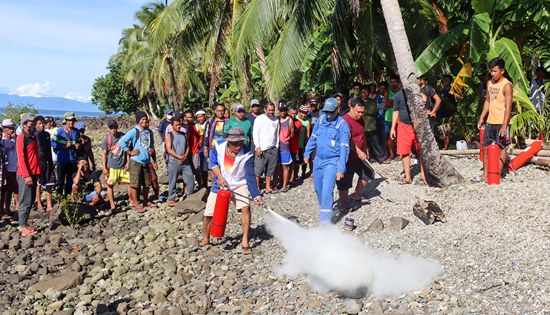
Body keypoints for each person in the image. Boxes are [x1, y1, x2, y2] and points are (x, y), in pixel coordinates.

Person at [199, 128, 263, 254]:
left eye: (240, 143)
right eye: (235, 144)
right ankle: (206, 238)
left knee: (245, 208)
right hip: (221, 184)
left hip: (239, 183)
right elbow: (213, 163)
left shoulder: (247, 153)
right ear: (228, 142)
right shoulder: (219, 147)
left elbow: (250, 175)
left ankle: (245, 240)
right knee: (208, 213)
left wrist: (256, 195)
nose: (238, 146)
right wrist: (220, 177)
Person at [304, 98, 350, 224]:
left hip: (332, 161)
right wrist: (307, 153)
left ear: (337, 110)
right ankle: (325, 209)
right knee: (318, 189)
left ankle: (325, 224)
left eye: (331, 111)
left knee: (326, 191)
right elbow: (313, 138)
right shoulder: (320, 120)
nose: (328, 114)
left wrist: (341, 168)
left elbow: (344, 148)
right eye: (326, 111)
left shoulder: (342, 125)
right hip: (318, 160)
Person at [475, 57, 513, 183]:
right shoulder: (490, 83)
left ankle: (497, 173)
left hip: (502, 122)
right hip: (490, 121)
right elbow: (487, 101)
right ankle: (486, 174)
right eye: (491, 71)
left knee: (502, 148)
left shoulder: (507, 85)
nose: (493, 74)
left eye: (495, 71)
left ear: (502, 71)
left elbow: (508, 107)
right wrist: (481, 117)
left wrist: (504, 125)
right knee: (485, 147)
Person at [338, 98, 373, 210]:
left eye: (363, 112)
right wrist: (358, 151)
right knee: (345, 182)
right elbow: (347, 140)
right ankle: (344, 205)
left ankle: (356, 195)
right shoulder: (345, 121)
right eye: (358, 112)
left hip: (359, 155)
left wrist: (366, 147)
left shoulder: (361, 120)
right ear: (351, 107)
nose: (361, 114)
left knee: (368, 173)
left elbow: (362, 135)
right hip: (347, 157)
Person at [119, 111, 157, 212]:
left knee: (147, 183)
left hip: (146, 161)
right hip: (136, 161)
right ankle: (135, 203)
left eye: (146, 119)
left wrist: (153, 156)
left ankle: (145, 201)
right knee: (135, 184)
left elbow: (151, 144)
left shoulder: (149, 132)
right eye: (142, 119)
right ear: (138, 121)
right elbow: (122, 142)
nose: (145, 121)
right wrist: (130, 152)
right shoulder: (134, 131)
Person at [390, 89, 425, 184]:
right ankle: (408, 177)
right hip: (403, 125)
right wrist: (393, 128)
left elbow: (425, 99)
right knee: (404, 151)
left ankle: (423, 175)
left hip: (418, 124)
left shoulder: (417, 92)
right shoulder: (398, 95)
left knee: (421, 149)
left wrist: (416, 91)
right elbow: (395, 111)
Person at [16, 113, 41, 237]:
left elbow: (35, 156)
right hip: (25, 174)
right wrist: (26, 175)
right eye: (31, 124)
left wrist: (38, 172)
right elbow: (21, 158)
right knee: (25, 201)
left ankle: (24, 223)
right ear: (25, 125)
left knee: (31, 200)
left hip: (34, 172)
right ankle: (22, 226)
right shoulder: (22, 137)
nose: (33, 127)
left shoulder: (33, 136)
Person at [101, 120, 130, 213]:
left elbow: (127, 151)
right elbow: (104, 154)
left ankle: (132, 201)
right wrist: (104, 167)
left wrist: (128, 162)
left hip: (123, 165)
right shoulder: (107, 139)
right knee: (110, 185)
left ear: (117, 127)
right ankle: (112, 205)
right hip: (112, 166)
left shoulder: (123, 137)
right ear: (108, 128)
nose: (113, 129)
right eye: (111, 127)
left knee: (130, 183)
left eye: (114, 127)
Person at [166, 114, 195, 206]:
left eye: (179, 125)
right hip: (174, 161)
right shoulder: (169, 135)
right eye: (176, 125)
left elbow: (187, 146)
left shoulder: (184, 134)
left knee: (190, 178)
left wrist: (185, 156)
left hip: (184, 160)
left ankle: (190, 195)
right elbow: (169, 150)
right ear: (172, 126)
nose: (178, 127)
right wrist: (179, 157)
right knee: (172, 180)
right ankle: (171, 198)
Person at [52, 112, 81, 196]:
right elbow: (52, 142)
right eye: (69, 120)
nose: (71, 122)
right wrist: (63, 146)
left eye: (72, 121)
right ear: (66, 121)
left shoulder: (76, 132)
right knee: (60, 181)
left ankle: (67, 199)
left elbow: (79, 141)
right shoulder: (60, 131)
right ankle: (59, 199)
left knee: (69, 181)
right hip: (62, 160)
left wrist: (78, 145)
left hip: (72, 161)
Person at [252, 102, 279, 194]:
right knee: (258, 170)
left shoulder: (276, 120)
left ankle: (268, 187)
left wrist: (277, 145)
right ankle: (256, 188)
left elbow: (277, 134)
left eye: (272, 110)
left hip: (273, 148)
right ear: (265, 109)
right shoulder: (259, 119)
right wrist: (257, 147)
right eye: (269, 110)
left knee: (270, 170)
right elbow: (255, 134)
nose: (271, 112)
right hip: (262, 149)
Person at [34, 116, 56, 212]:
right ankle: (39, 203)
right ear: (35, 125)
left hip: (47, 160)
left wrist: (51, 163)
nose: (42, 125)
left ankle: (49, 203)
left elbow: (48, 150)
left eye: (43, 123)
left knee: (49, 183)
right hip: (38, 162)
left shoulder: (47, 134)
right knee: (38, 183)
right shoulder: (34, 135)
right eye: (39, 123)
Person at [363, 84, 388, 164]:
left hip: (371, 126)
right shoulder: (358, 101)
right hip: (362, 126)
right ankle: (368, 158)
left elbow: (373, 111)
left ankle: (381, 158)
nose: (364, 94)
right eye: (363, 92)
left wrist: (362, 111)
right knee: (365, 144)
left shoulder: (372, 101)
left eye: (366, 92)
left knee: (376, 143)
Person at [1, 119, 18, 219]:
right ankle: (4, 210)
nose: (12, 130)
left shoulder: (14, 140)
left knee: (14, 189)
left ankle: (11, 208)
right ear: (4, 129)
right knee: (6, 191)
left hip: (15, 168)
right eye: (10, 128)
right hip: (6, 169)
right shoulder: (2, 141)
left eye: (13, 128)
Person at [276, 103, 294, 192]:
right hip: (277, 146)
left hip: (285, 146)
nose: (282, 112)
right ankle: (280, 182)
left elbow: (292, 134)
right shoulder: (276, 120)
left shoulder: (289, 120)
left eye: (284, 110)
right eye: (281, 110)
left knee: (285, 166)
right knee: (278, 166)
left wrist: (286, 140)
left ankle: (284, 185)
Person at [184, 110, 204, 188]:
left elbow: (201, 136)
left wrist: (198, 145)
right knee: (186, 171)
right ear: (185, 118)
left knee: (197, 170)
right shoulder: (183, 126)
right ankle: (186, 188)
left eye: (191, 117)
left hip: (194, 151)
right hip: (185, 152)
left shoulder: (197, 126)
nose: (189, 119)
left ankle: (200, 186)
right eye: (187, 117)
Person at [438, 74, 458, 150]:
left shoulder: (452, 92)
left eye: (447, 80)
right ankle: (444, 145)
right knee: (442, 130)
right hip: (441, 112)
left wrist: (452, 115)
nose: (445, 81)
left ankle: (446, 147)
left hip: (449, 113)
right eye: (444, 80)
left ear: (450, 81)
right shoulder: (442, 91)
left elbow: (454, 104)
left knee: (447, 130)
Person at [385, 75, 400, 160]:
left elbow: (401, 104)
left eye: (395, 82)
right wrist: (395, 103)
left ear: (398, 83)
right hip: (389, 117)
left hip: (399, 118)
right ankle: (391, 154)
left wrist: (391, 102)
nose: (393, 84)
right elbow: (385, 104)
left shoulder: (400, 92)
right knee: (390, 137)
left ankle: (400, 153)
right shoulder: (388, 92)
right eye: (392, 82)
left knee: (399, 136)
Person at [288, 106, 302, 185]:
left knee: (293, 162)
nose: (293, 115)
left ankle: (292, 177)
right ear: (289, 113)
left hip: (295, 145)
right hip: (286, 144)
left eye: (295, 114)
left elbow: (299, 134)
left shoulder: (299, 123)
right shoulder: (286, 120)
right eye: (292, 113)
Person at [296, 105, 311, 178]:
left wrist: (307, 145)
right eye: (302, 113)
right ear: (299, 112)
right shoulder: (295, 119)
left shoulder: (307, 122)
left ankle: (303, 173)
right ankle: (295, 175)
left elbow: (308, 134)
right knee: (295, 161)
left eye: (306, 113)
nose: (304, 115)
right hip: (295, 144)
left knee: (303, 160)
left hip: (303, 143)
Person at [195, 109, 209, 188]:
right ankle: (201, 185)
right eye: (198, 117)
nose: (200, 118)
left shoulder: (209, 124)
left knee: (205, 167)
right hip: (199, 148)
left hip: (208, 147)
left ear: (204, 116)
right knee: (200, 167)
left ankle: (205, 184)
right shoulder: (197, 126)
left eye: (201, 116)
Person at [158, 109, 173, 175]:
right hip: (165, 141)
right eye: (169, 114)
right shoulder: (163, 122)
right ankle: (166, 170)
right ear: (166, 115)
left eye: (171, 114)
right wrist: (164, 138)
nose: (170, 115)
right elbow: (160, 131)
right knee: (165, 155)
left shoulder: (173, 121)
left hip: (173, 140)